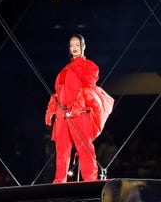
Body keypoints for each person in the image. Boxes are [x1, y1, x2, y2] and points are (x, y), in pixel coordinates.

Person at [45, 34, 114, 183]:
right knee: (62, 151)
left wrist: (76, 107)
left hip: (79, 113)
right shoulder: (66, 68)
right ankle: (59, 181)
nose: (74, 48)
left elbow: (86, 87)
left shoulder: (88, 66)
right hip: (62, 114)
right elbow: (59, 93)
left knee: (85, 148)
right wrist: (50, 110)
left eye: (77, 45)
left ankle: (90, 180)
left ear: (83, 46)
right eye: (72, 45)